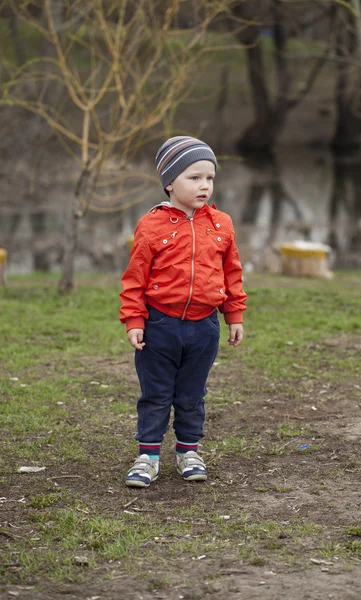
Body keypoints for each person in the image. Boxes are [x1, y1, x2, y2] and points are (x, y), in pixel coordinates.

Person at [119, 136, 247, 487]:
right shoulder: (152, 225)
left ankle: (189, 451)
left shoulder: (222, 224)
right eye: (194, 177)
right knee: (157, 393)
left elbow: (232, 273)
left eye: (209, 178)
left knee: (192, 394)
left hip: (204, 327)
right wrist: (134, 319)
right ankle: (148, 457)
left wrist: (233, 315)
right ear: (170, 182)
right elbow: (134, 278)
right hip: (160, 325)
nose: (204, 185)